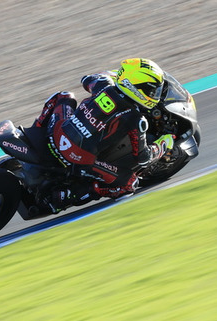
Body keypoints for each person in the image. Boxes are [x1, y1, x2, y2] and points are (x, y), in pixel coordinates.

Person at [32, 58, 175, 210]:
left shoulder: (103, 85)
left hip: (57, 134)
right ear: (135, 88)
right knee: (129, 184)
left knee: (64, 96)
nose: (155, 95)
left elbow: (86, 79)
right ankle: (67, 195)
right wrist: (163, 144)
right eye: (153, 91)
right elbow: (143, 159)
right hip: (80, 160)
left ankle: (36, 130)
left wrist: (109, 77)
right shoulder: (136, 119)